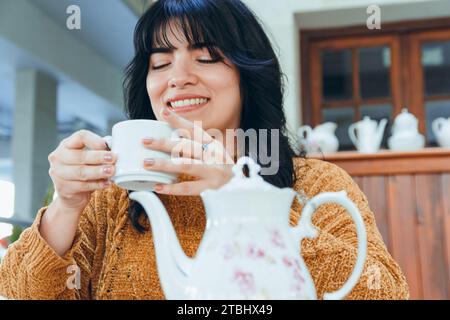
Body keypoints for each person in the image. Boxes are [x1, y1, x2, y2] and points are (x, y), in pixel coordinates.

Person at [0, 0, 408, 299]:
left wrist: (243, 197)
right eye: (159, 64)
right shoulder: (111, 199)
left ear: (248, 74)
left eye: (207, 57)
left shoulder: (316, 183)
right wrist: (65, 207)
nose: (177, 78)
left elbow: (384, 292)